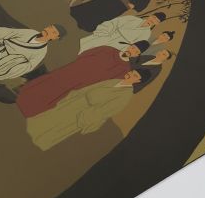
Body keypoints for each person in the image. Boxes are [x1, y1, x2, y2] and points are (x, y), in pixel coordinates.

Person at [26, 67, 157, 151]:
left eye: (135, 76)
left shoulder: (126, 95)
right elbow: (91, 88)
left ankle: (39, 140)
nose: (130, 75)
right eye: (132, 72)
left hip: (84, 112)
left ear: (138, 81)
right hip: (77, 101)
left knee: (58, 127)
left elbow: (107, 111)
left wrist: (87, 112)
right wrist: (74, 95)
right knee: (51, 117)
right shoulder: (113, 81)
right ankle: (33, 130)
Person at [16, 41, 149, 118]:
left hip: (83, 84)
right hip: (73, 69)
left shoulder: (124, 69)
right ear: (130, 45)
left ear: (137, 55)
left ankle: (30, 109)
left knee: (60, 95)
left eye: (136, 52)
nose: (132, 51)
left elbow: (110, 82)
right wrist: (81, 65)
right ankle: (22, 94)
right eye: (133, 47)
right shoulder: (108, 50)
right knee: (50, 81)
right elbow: (86, 54)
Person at [77, 10, 167, 54]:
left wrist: (120, 50)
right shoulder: (132, 19)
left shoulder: (146, 34)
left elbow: (133, 46)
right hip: (107, 35)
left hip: (117, 47)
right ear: (150, 16)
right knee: (83, 46)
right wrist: (103, 32)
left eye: (156, 21)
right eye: (154, 17)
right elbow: (113, 23)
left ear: (157, 23)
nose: (153, 21)